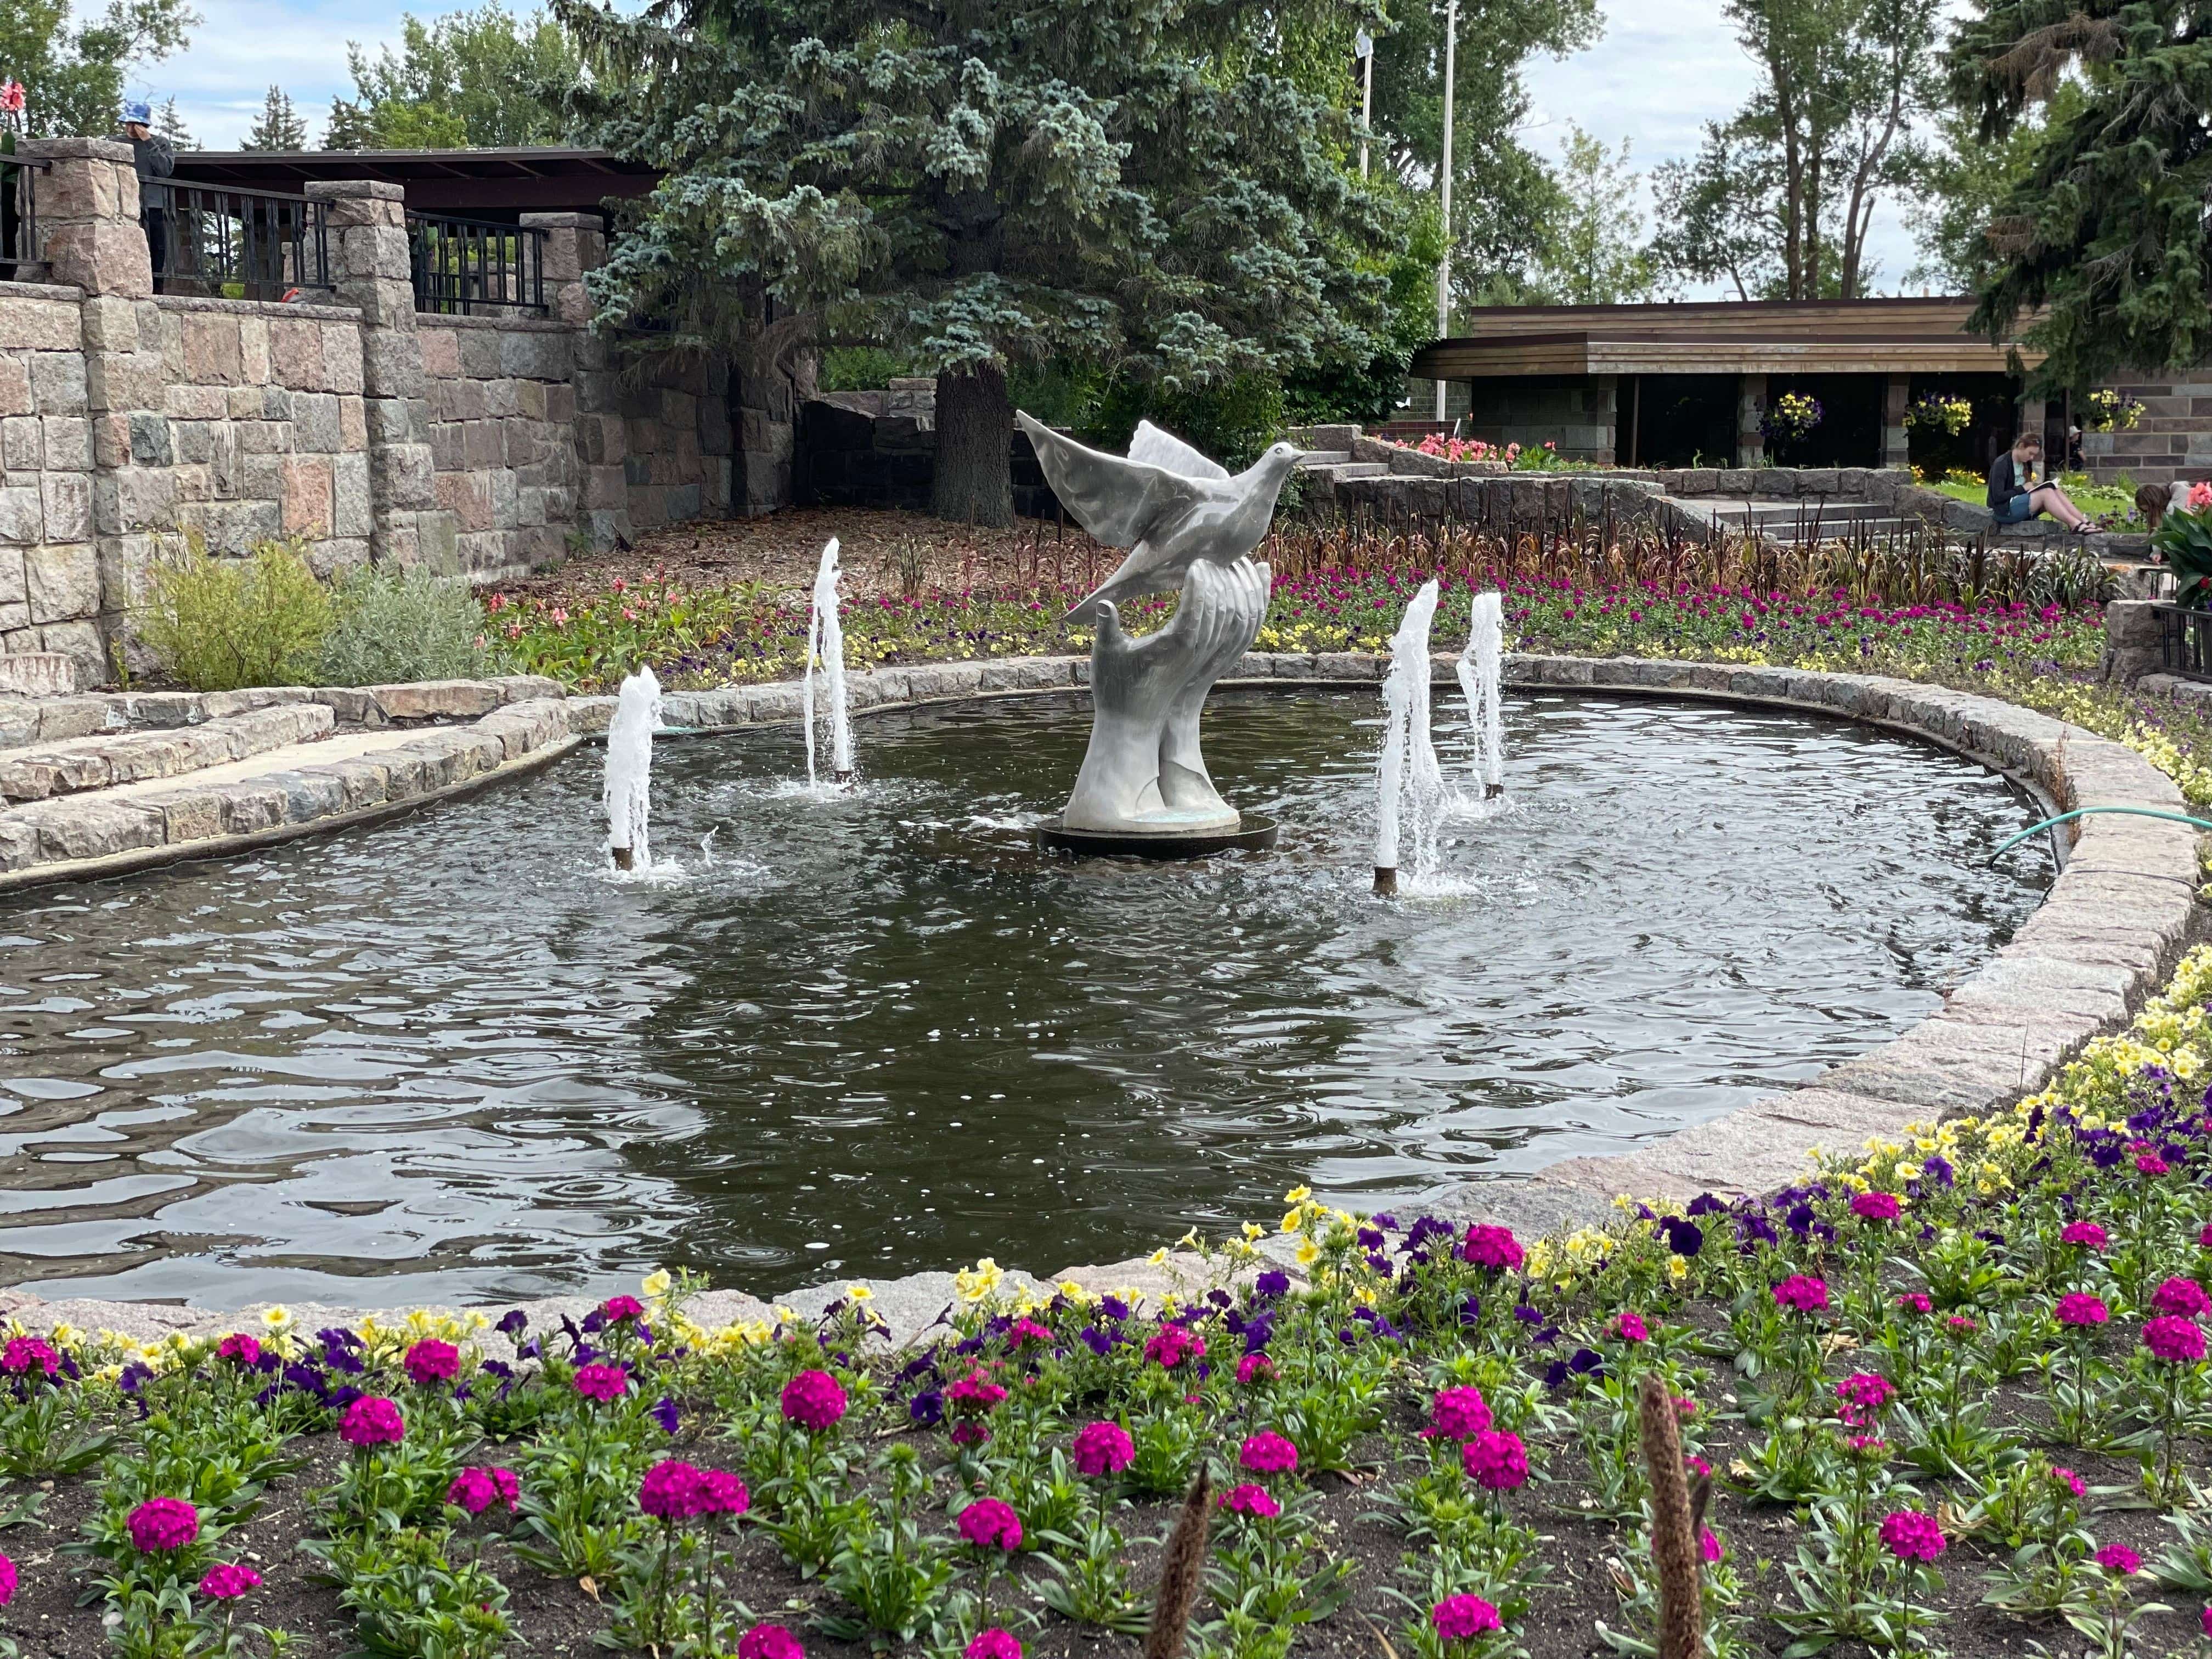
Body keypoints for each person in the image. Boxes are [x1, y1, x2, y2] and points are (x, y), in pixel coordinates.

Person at [1987, 432, 2096, 532]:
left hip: (2019, 505)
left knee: (2054, 489)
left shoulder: (2025, 464)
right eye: (2030, 453)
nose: (2031, 458)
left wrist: (2032, 489)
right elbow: (1998, 497)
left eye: (2034, 455)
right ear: (2021, 446)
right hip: (2003, 511)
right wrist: (2023, 488)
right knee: (2046, 493)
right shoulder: (2002, 464)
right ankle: (2074, 525)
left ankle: (2084, 522)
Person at [120, 100, 173, 292]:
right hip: (123, 204)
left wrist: (148, 142)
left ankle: (156, 290)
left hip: (153, 206)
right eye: (128, 123)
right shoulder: (115, 142)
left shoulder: (160, 143)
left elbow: (165, 170)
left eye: (137, 124)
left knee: (156, 251)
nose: (132, 128)